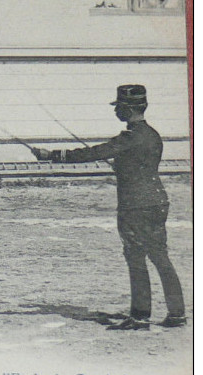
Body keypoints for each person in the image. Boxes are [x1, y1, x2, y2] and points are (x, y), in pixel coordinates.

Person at [31, 85, 186, 330]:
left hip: (135, 205)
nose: (116, 112)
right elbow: (138, 164)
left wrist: (53, 155)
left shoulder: (129, 137)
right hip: (157, 201)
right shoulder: (153, 134)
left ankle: (139, 317)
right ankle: (177, 315)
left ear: (128, 109)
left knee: (135, 257)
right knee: (160, 257)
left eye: (119, 108)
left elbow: (95, 152)